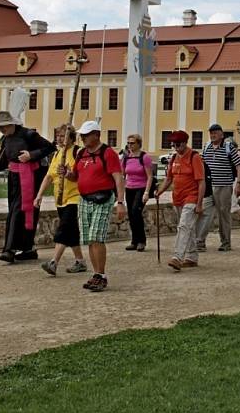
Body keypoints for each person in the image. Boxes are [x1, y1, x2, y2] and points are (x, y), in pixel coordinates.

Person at [0, 111, 55, 263]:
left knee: (18, 212)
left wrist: (31, 155)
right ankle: (28, 249)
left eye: (4, 127)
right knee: (18, 211)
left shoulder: (29, 135)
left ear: (12, 123)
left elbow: (49, 147)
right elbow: (3, 163)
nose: (1, 130)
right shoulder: (5, 139)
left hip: (31, 177)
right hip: (14, 179)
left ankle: (9, 249)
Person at [62, 121, 126, 292]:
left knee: (97, 236)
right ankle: (96, 273)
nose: (82, 138)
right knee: (89, 238)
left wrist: (120, 202)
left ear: (96, 134)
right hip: (84, 200)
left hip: (102, 199)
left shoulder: (108, 153)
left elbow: (118, 178)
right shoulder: (81, 153)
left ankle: (101, 274)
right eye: (82, 135)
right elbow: (75, 176)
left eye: (86, 135)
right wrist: (67, 174)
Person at [34, 124, 88, 276]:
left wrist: (69, 174)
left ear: (71, 138)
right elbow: (49, 176)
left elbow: (80, 175)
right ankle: (80, 261)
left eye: (63, 135)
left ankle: (53, 262)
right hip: (60, 198)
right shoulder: (58, 154)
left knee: (64, 228)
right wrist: (39, 195)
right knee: (71, 231)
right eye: (57, 135)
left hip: (75, 197)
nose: (59, 138)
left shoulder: (78, 153)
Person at [155, 130, 206, 272]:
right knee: (187, 228)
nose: (176, 147)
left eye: (178, 144)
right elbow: (169, 178)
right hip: (177, 198)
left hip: (192, 197)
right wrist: (159, 191)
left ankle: (177, 257)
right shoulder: (173, 158)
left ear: (185, 143)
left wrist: (200, 204)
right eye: (174, 145)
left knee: (183, 226)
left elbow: (201, 182)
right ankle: (192, 257)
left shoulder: (194, 157)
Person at [197, 123, 240, 252]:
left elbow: (238, 166)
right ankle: (200, 242)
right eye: (211, 133)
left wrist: (238, 183)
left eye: (215, 133)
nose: (212, 135)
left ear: (222, 135)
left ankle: (225, 243)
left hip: (224, 186)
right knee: (204, 212)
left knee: (223, 215)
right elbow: (202, 165)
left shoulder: (228, 147)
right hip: (208, 186)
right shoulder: (207, 147)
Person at [121, 134, 153, 252]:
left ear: (138, 144)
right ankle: (134, 241)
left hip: (141, 187)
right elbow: (123, 174)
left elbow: (150, 176)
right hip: (129, 188)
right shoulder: (126, 158)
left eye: (132, 143)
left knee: (136, 211)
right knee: (131, 214)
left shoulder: (144, 157)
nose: (130, 145)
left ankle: (141, 241)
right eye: (128, 143)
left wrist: (146, 192)